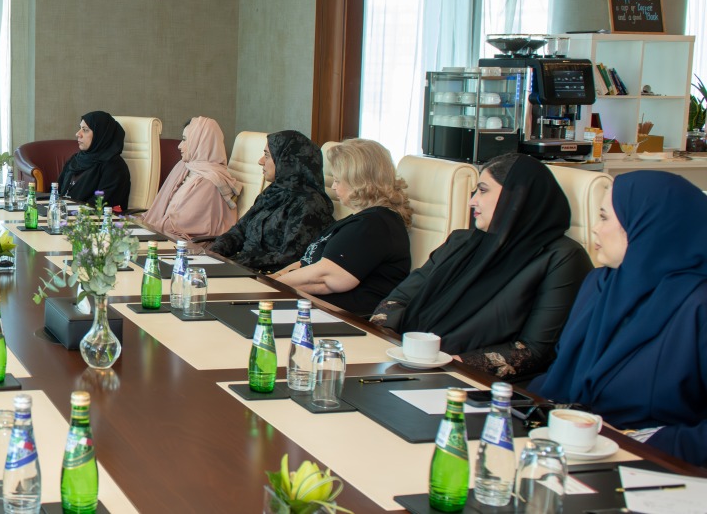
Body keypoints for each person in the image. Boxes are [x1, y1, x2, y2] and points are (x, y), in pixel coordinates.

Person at [530, 172, 707, 466]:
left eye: (604, 218)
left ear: (648, 226)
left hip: (655, 468)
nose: (595, 230)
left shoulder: (699, 305)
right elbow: (560, 375)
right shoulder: (600, 284)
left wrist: (635, 442)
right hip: (572, 449)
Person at [371, 153, 592, 381]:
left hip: (478, 383)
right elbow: (399, 298)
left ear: (517, 197)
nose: (472, 201)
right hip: (409, 362)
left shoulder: (562, 258)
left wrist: (448, 363)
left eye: (483, 190)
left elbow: (533, 350)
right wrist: (382, 338)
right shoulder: (461, 242)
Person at [271, 138, 412, 317]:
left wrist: (270, 287)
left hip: (346, 320)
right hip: (317, 309)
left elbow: (324, 278)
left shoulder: (375, 225)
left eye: (338, 180)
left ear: (358, 182)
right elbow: (306, 262)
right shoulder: (362, 220)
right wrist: (271, 280)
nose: (333, 186)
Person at [210, 130, 333, 273]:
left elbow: (290, 258)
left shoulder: (309, 205)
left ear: (287, 161)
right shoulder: (273, 191)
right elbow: (240, 230)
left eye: (267, 156)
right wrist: (215, 253)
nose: (260, 161)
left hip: (267, 277)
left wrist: (235, 264)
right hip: (241, 268)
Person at [139, 117, 240, 240]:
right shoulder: (184, 166)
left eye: (185, 140)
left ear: (201, 143)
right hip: (164, 234)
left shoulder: (209, 181)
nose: (180, 146)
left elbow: (179, 226)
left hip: (187, 246)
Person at [57, 111, 132, 211]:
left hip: (91, 222)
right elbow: (58, 191)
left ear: (100, 134)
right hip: (64, 215)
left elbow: (100, 205)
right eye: (80, 128)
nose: (78, 134)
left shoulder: (115, 167)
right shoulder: (76, 159)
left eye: (85, 130)